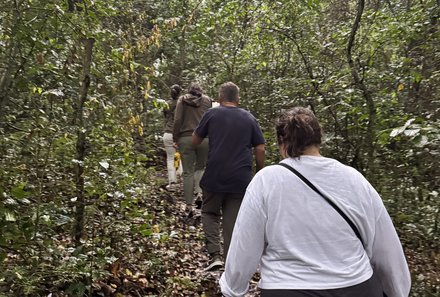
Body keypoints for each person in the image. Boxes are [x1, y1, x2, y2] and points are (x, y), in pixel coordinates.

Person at [220, 107, 411, 297]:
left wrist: (232, 288)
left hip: (287, 288)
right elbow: (386, 249)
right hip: (357, 286)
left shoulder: (266, 181)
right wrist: (398, 291)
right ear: (319, 141)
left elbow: (244, 247)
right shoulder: (354, 179)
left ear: (281, 143)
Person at [192, 82, 266, 271]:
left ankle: (215, 254)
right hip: (240, 178)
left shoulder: (212, 114)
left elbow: (195, 140)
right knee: (232, 220)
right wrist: (259, 171)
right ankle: (231, 262)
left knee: (209, 212)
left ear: (220, 97)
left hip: (215, 174)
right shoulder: (249, 118)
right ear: (238, 98)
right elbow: (260, 147)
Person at [173, 83, 211, 215]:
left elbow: (177, 120)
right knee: (201, 168)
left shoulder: (182, 100)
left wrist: (175, 137)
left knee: (188, 172)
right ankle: (199, 194)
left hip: (186, 138)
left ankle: (189, 205)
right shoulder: (207, 100)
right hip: (204, 138)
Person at [163, 84, 183, 190]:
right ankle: (180, 176)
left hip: (168, 133)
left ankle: (172, 182)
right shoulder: (182, 104)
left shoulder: (167, 104)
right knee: (177, 155)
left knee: (170, 158)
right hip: (179, 133)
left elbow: (165, 116)